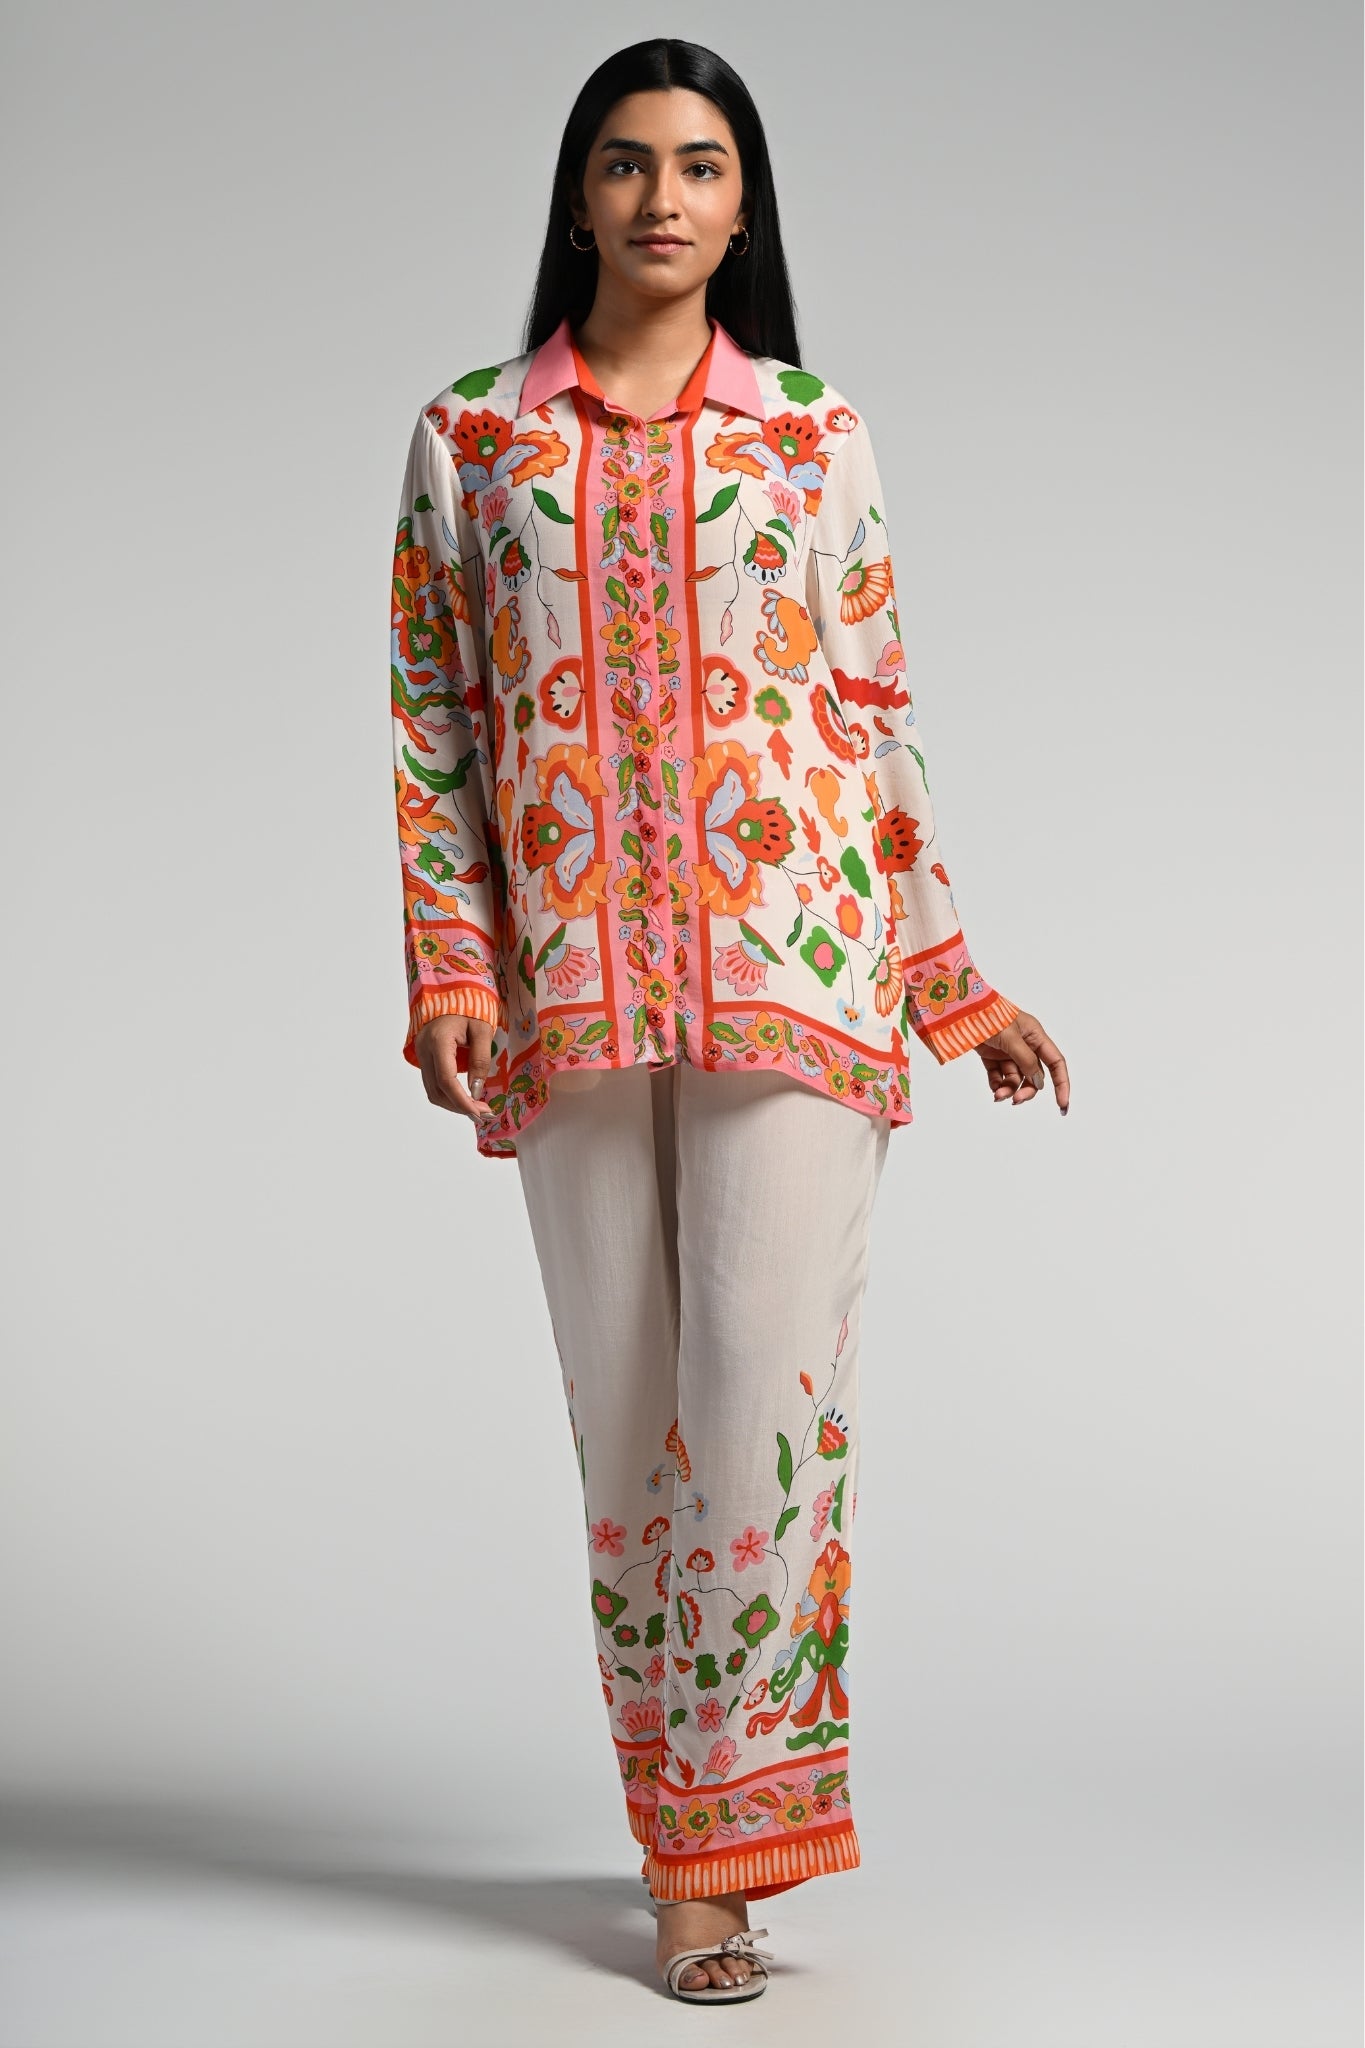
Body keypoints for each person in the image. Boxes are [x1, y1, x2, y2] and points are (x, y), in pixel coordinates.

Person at [389, 37, 1069, 2006]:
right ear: (576, 197)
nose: (661, 197)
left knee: (759, 1416)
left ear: (743, 202)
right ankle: (671, 1829)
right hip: (572, 998)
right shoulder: (471, 439)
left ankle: (717, 1866)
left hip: (800, 982)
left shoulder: (810, 433)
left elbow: (870, 709)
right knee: (629, 1428)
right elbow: (435, 727)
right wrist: (453, 967)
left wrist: (951, 979)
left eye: (697, 165)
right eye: (625, 164)